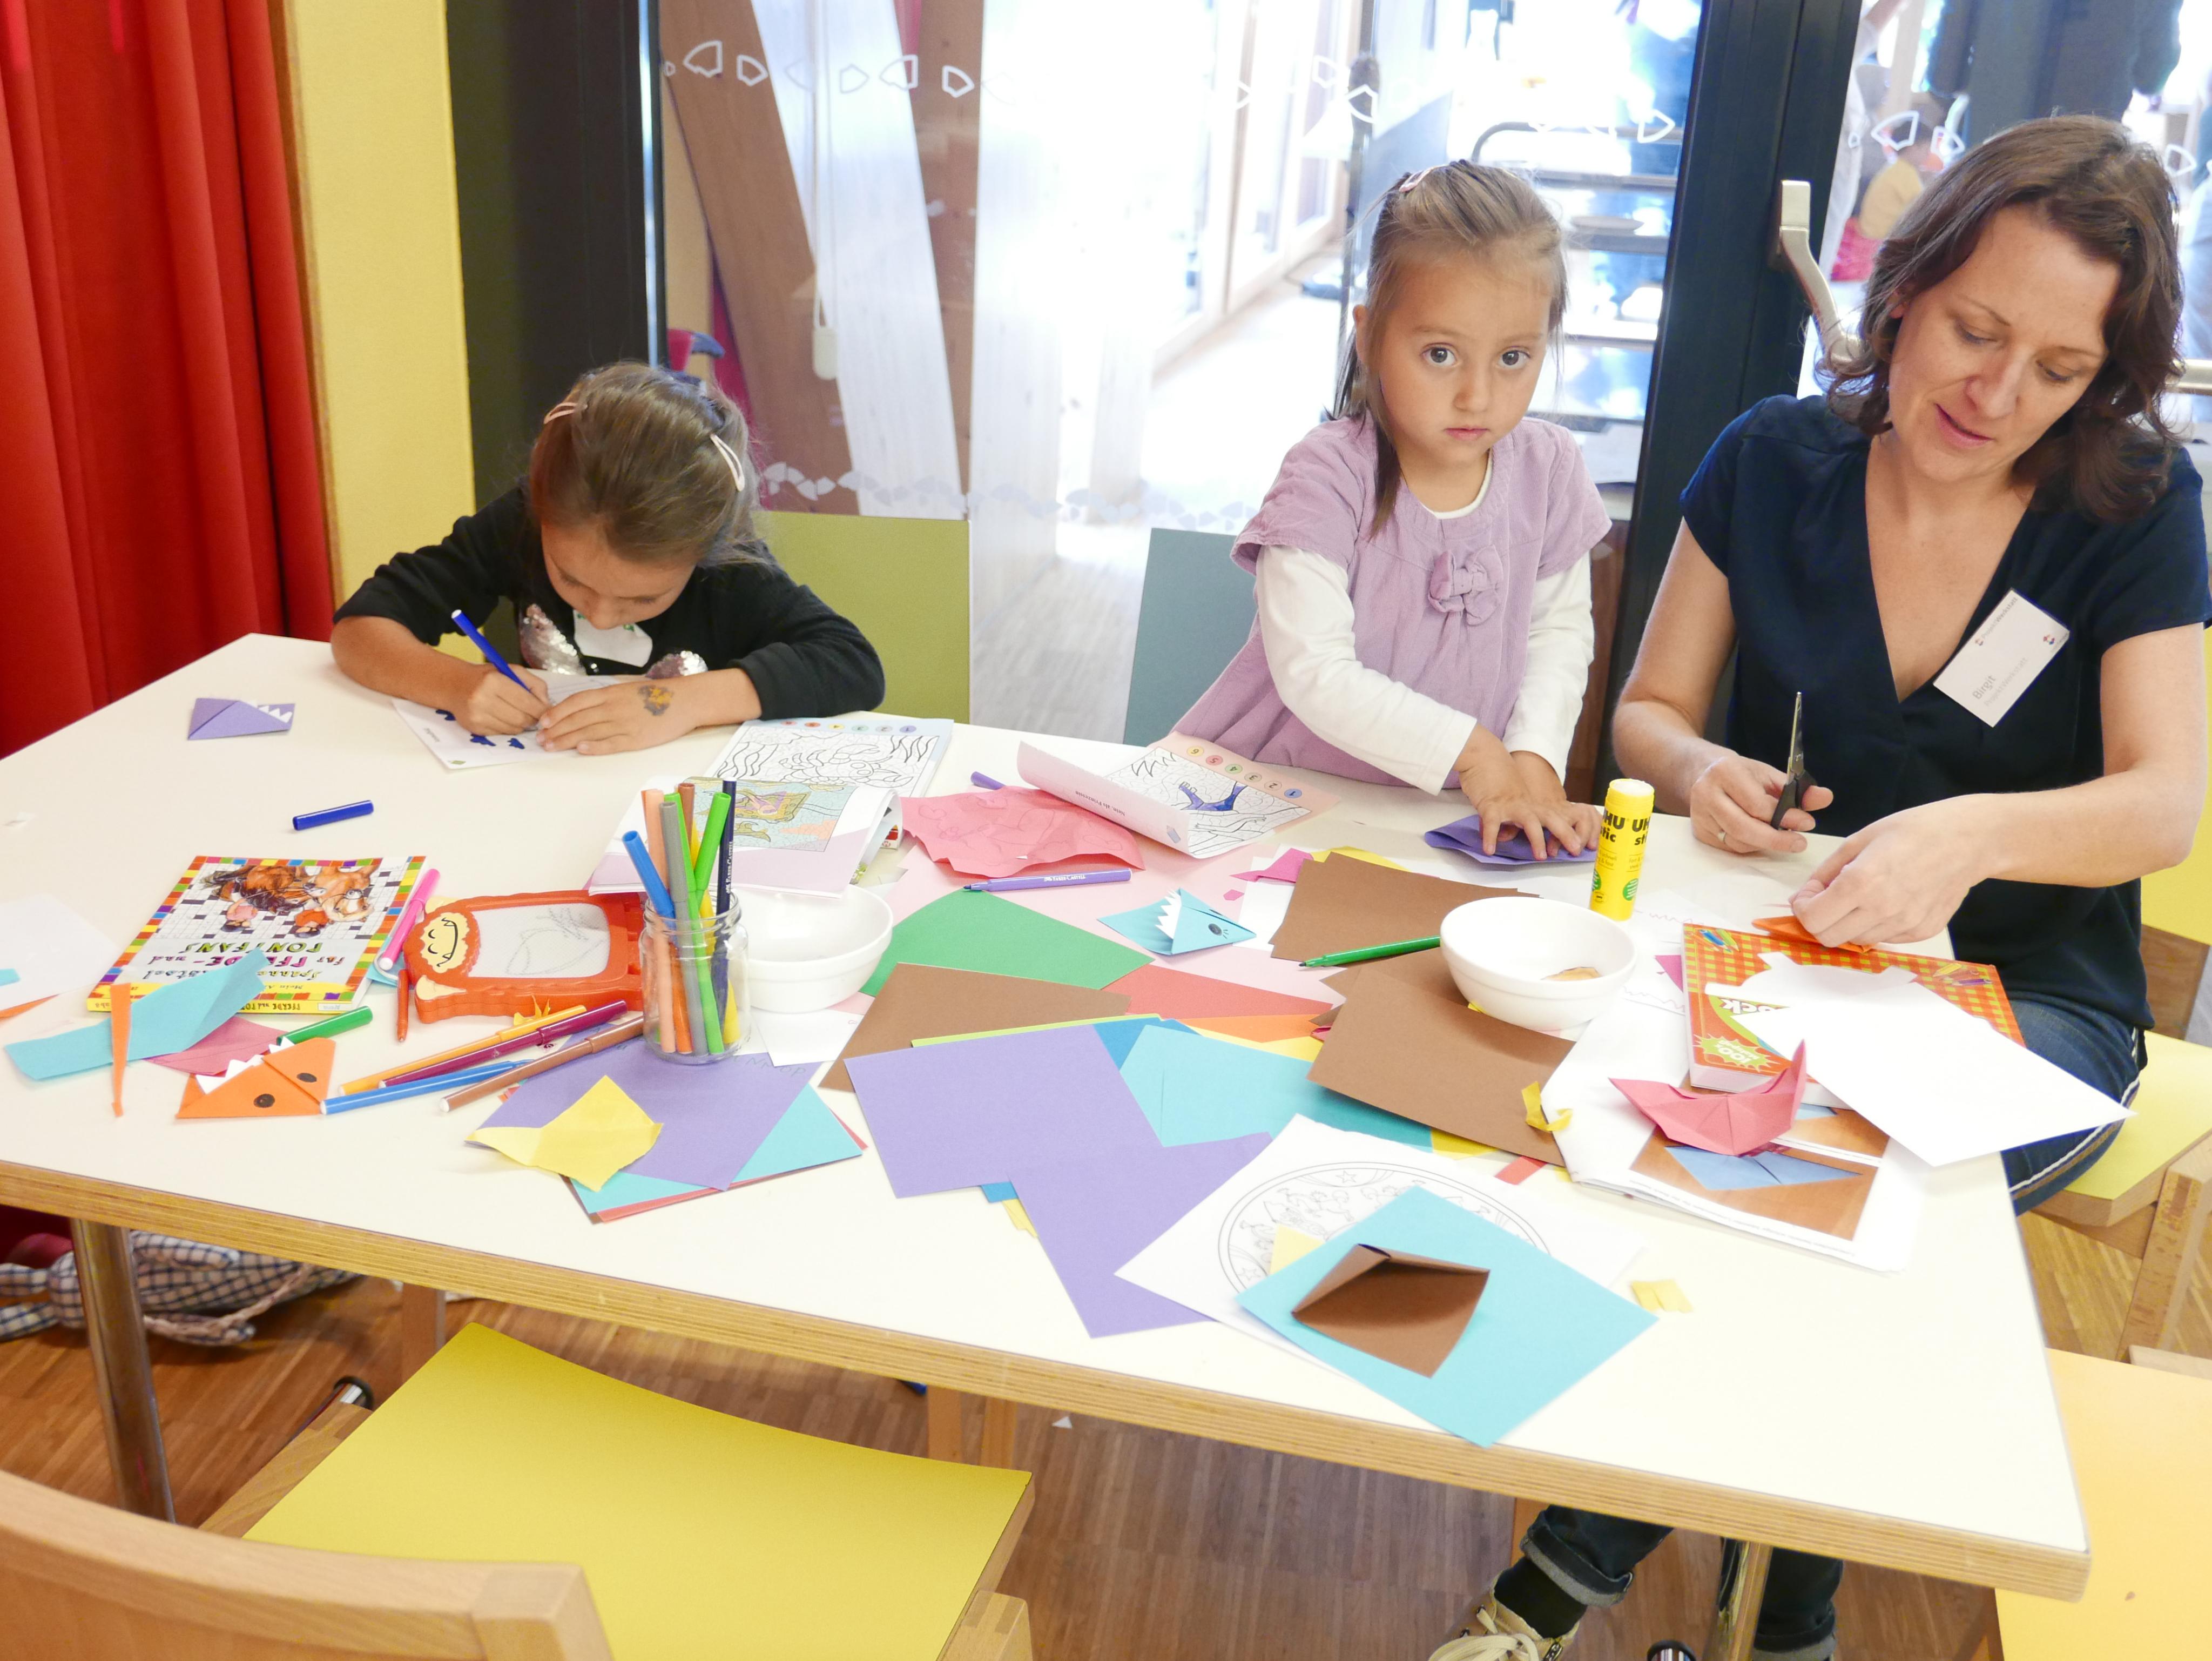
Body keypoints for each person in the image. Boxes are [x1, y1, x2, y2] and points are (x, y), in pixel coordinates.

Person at [1433, 117, 2210, 1661]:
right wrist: (1705, 767)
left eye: (2060, 369)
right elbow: (1649, 713)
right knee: (1742, 1174)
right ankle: (1792, 1619)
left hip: (2031, 1006)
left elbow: (2161, 805)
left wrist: (1971, 835)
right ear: (1904, 287)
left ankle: (1573, 1582)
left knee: (1804, 1193)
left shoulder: (2132, 502)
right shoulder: (1773, 459)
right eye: (1976, 330)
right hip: (1778, 961)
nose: (1999, 393)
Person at [1178, 162, 1611, 858]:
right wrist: (1475, 753)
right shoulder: (1327, 474)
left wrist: (1531, 761)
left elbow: (1557, 633)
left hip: (1442, 814)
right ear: (1371, 334)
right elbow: (1315, 670)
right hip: (1279, 801)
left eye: (1512, 358)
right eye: (1440, 354)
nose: (1476, 396)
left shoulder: (1550, 467)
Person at [332, 362, 884, 755]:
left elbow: (851, 664)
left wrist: (680, 703)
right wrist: (454, 684)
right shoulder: (521, 522)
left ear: (704, 552)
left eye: (643, 598)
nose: (599, 616)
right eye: (571, 580)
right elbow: (360, 628)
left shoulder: (729, 570)